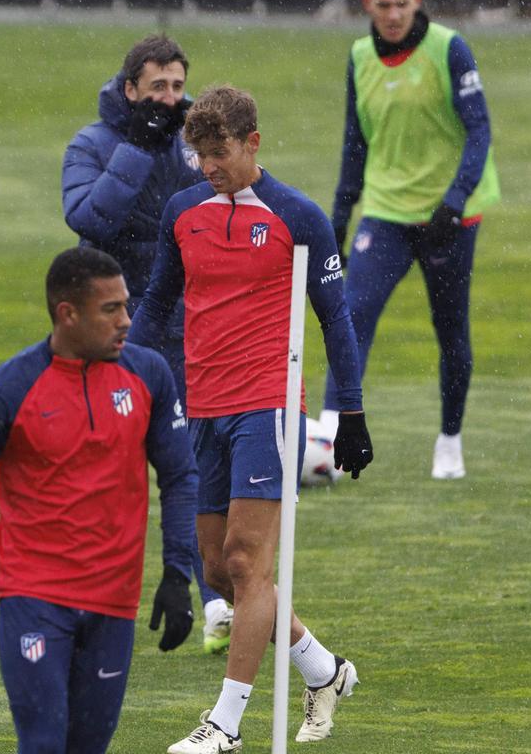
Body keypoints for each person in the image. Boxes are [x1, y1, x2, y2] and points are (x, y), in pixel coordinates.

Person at [128, 86, 374, 751]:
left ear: (252, 143)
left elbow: (336, 317)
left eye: (221, 152)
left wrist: (350, 410)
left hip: (268, 405)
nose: (210, 166)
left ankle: (225, 725)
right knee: (219, 572)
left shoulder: (298, 216)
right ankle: (323, 669)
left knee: (246, 559)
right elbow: (156, 304)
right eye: (200, 154)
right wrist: (117, 371)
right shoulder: (183, 212)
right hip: (202, 405)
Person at [0, 247, 200, 753]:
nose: (127, 321)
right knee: (43, 743)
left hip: (113, 602)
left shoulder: (149, 375)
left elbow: (181, 477)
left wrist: (176, 575)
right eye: (111, 309)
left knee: (88, 747)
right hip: (34, 597)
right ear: (67, 313)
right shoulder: (8, 390)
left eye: (126, 306)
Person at [62, 34, 233, 655]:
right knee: (101, 462)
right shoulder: (94, 144)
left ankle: (210, 599)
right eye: (156, 87)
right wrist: (138, 145)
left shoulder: (194, 145)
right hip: (110, 334)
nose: (168, 99)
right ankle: (85, 595)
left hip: (187, 329)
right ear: (130, 88)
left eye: (177, 87)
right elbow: (90, 220)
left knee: (188, 466)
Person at [321, 0, 500, 480]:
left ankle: (449, 438)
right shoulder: (359, 56)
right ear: (368, 6)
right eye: (384, 6)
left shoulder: (450, 48)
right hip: (385, 210)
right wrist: (339, 214)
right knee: (351, 315)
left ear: (417, 1)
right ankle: (330, 439)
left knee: (450, 332)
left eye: (402, 4)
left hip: (450, 215)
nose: (394, 15)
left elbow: (480, 131)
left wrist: (455, 200)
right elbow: (355, 141)